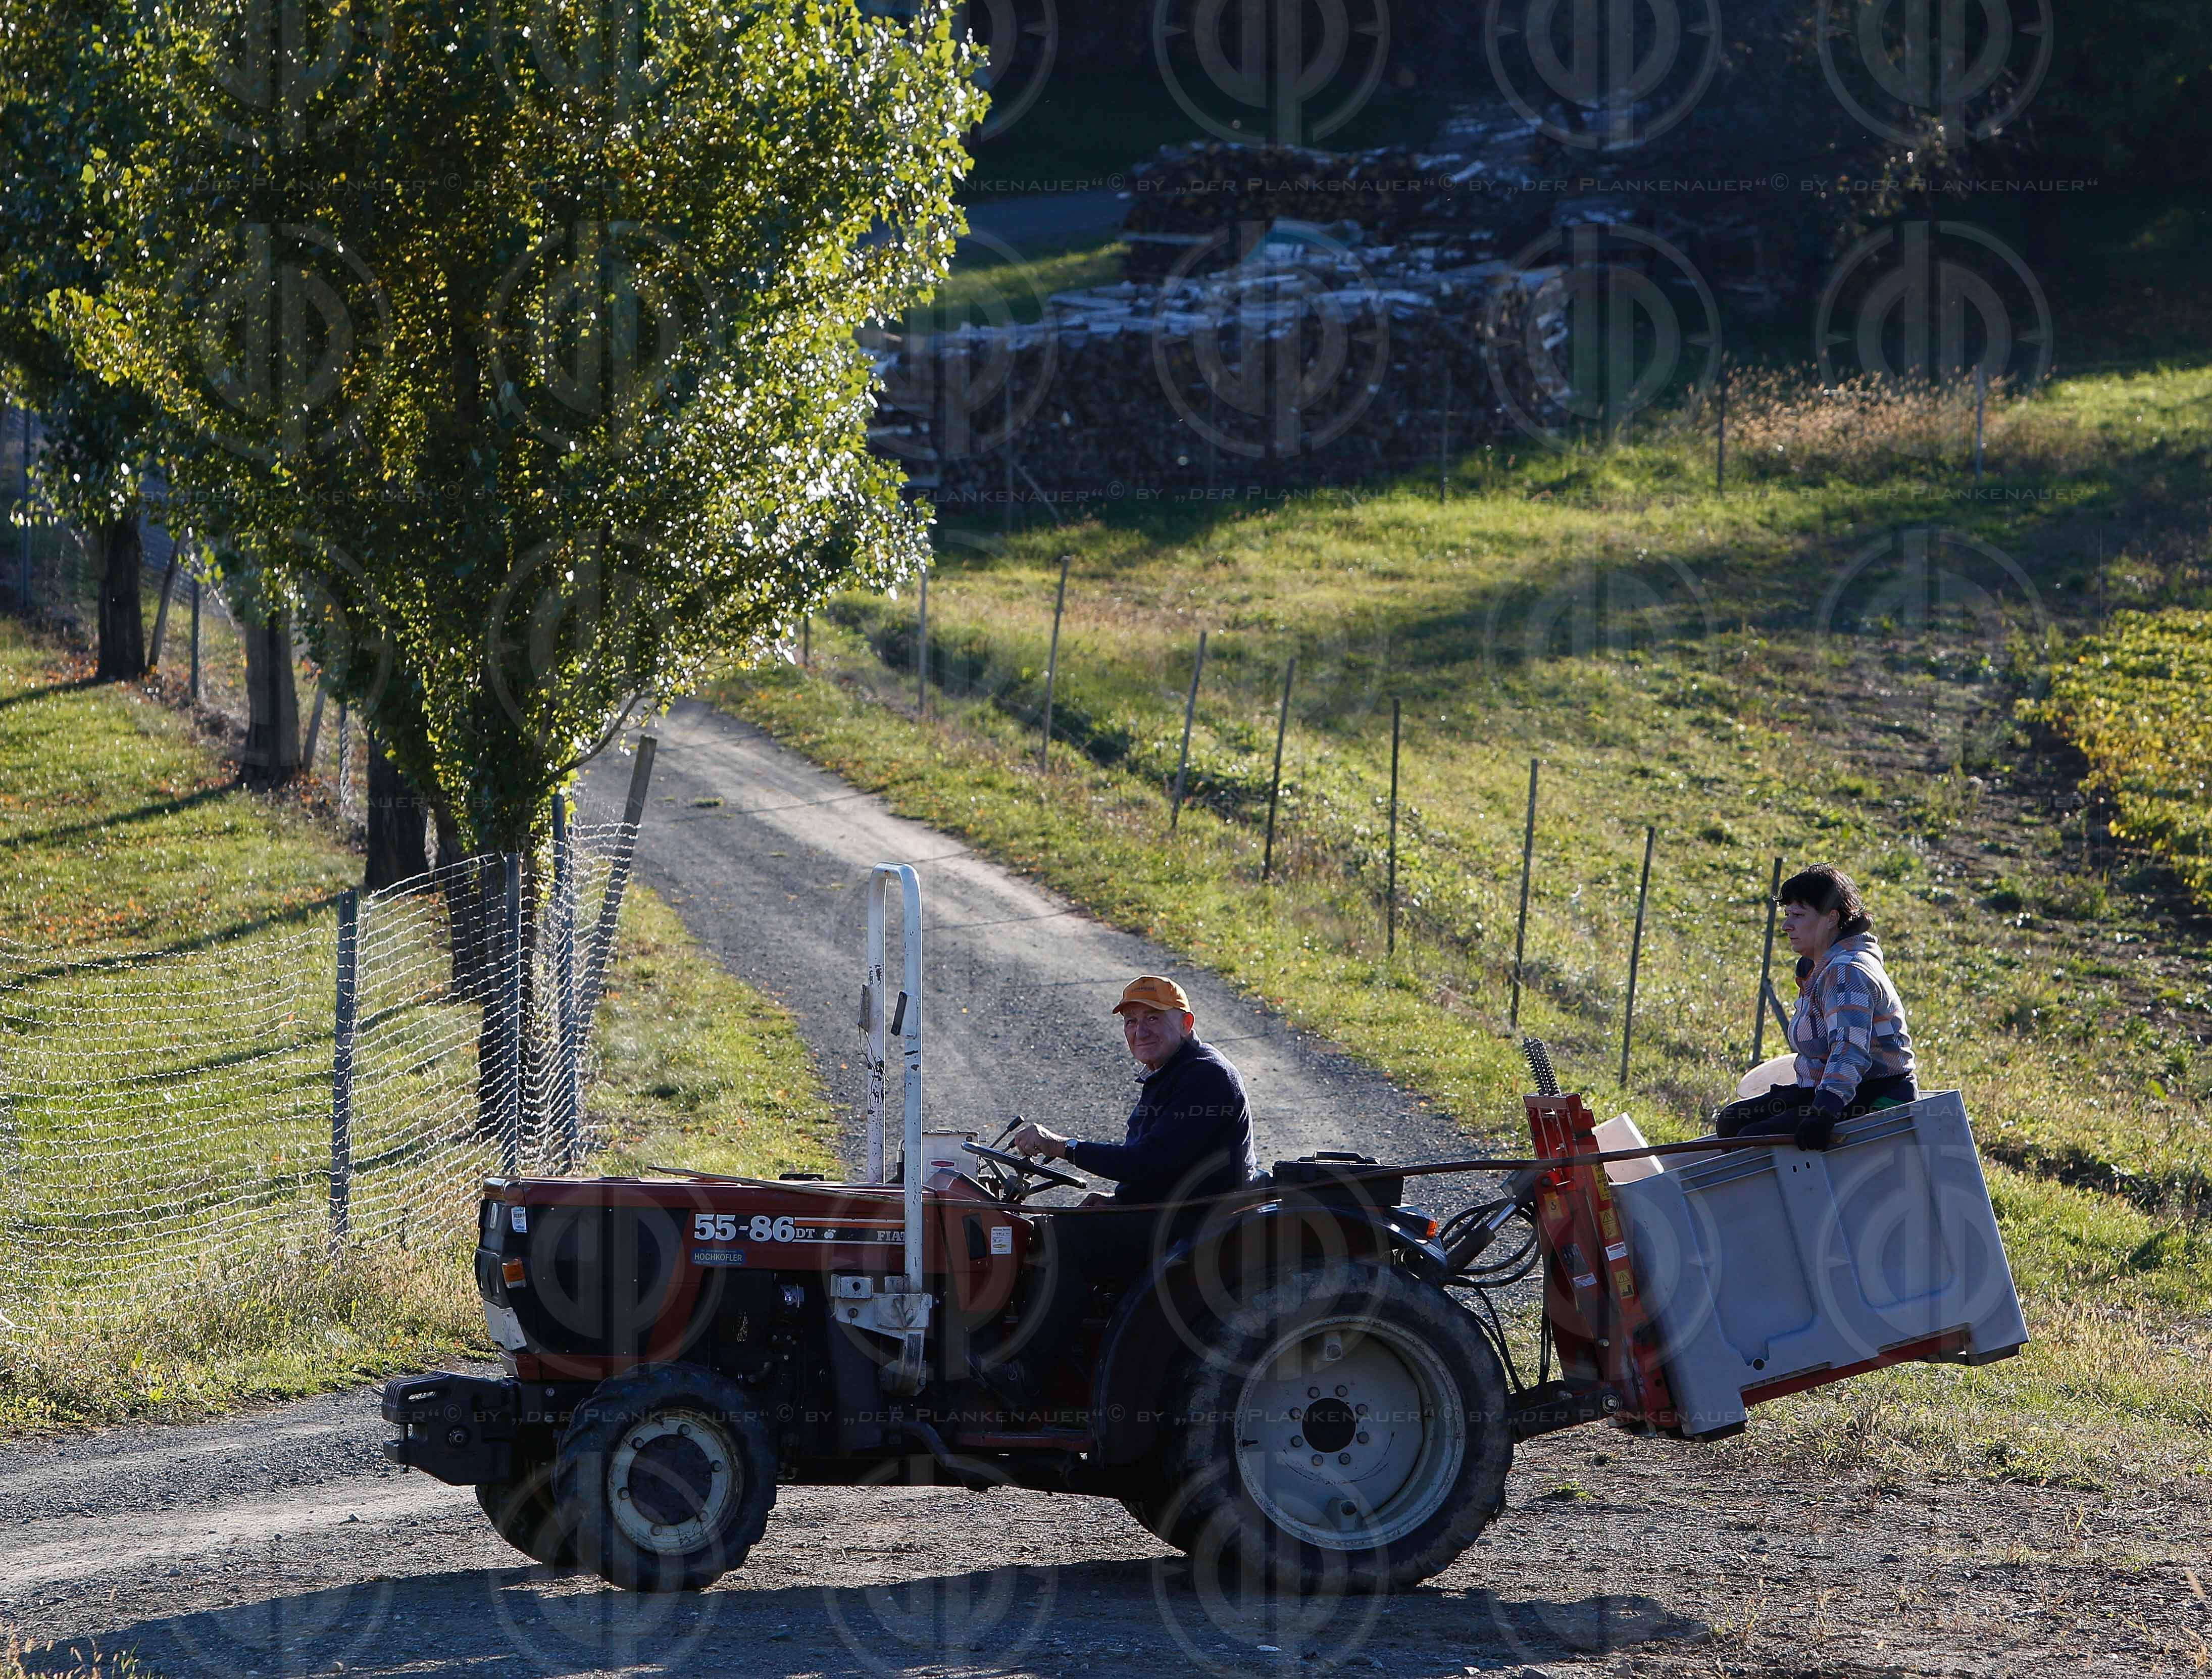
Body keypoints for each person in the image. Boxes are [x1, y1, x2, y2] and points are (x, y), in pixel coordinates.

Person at [1715, 864, 1918, 1151]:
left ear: (1831, 919)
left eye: (1798, 915)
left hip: (1877, 1097)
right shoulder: (1824, 967)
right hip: (1840, 1091)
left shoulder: (1847, 972)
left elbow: (1849, 1051)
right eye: (1787, 915)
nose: (1787, 926)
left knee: (1753, 1139)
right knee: (1732, 1122)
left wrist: (1822, 1114)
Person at [1009, 974, 1258, 1206]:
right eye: (1131, 1021)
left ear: (1186, 1024)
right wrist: (1119, 1201)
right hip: (1171, 1211)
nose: (1141, 1032)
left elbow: (1146, 1162)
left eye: (1153, 1018)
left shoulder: (1206, 1076)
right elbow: (1165, 1168)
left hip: (1200, 1221)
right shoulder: (1170, 1071)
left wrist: (1062, 1146)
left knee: (1047, 1239)